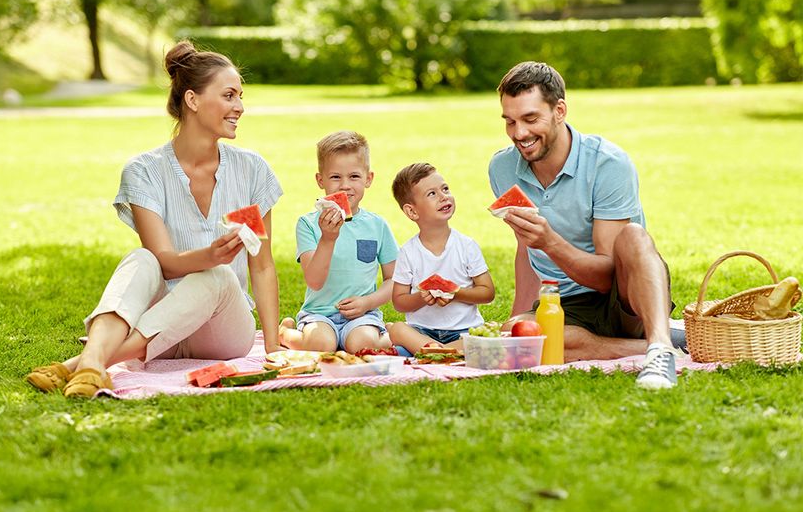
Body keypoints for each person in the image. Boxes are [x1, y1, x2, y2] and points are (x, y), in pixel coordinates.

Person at [27, 41, 283, 398]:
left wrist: (272, 349)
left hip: (222, 331)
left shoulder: (252, 170)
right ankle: (92, 366)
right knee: (141, 258)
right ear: (193, 100)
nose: (239, 107)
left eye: (240, 96)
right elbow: (162, 263)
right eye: (228, 96)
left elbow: (262, 267)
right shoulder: (144, 171)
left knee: (220, 275)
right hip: (163, 321)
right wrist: (208, 254)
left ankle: (83, 363)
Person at [488, 61, 680, 389]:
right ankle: (662, 344)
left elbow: (607, 277)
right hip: (566, 303)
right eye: (510, 121)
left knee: (633, 236)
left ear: (559, 110)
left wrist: (550, 241)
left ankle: (660, 347)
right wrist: (516, 321)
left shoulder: (608, 164)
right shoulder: (503, 168)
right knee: (519, 336)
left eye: (531, 119)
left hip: (625, 297)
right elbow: (526, 249)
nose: (519, 133)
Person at [278, 131, 397, 353]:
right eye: (335, 177)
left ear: (368, 179)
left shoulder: (378, 225)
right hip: (319, 314)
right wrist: (328, 238)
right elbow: (314, 281)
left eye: (354, 177)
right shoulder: (308, 224)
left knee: (363, 346)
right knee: (321, 346)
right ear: (320, 180)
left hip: (363, 315)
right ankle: (285, 331)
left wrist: (368, 303)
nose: (345, 186)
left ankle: (385, 333)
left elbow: (394, 279)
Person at [387, 163, 495, 355]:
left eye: (445, 189)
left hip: (463, 331)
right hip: (422, 331)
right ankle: (448, 352)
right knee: (397, 329)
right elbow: (399, 302)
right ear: (412, 211)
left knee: (488, 336)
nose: (444, 196)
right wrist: (421, 298)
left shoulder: (467, 245)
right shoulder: (408, 252)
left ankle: (437, 353)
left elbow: (487, 293)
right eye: (432, 194)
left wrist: (455, 293)